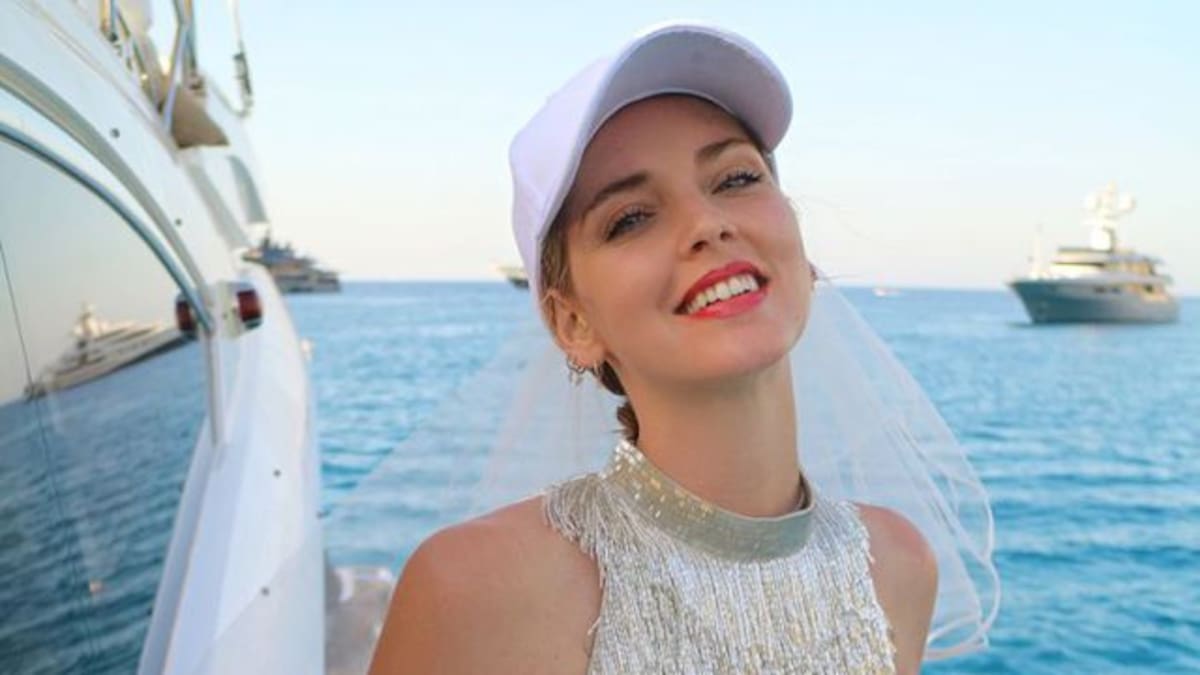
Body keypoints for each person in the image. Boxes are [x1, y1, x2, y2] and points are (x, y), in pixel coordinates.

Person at [371, 22, 997, 674]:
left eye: (736, 178)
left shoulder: (895, 567)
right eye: (631, 218)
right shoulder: (476, 589)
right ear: (573, 322)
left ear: (799, 246)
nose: (706, 223)